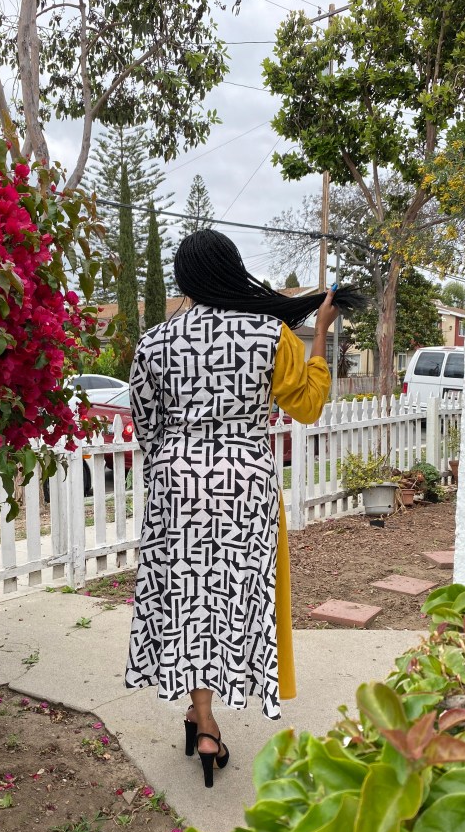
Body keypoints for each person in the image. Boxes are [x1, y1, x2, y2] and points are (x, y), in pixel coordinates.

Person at [124, 229, 366, 788]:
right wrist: (320, 334)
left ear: (185, 279)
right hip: (245, 485)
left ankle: (201, 718)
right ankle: (211, 718)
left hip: (177, 483)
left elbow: (147, 425)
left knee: (187, 601)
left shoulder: (155, 343)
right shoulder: (269, 334)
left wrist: (178, 468)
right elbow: (307, 406)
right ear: (232, 270)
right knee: (233, 600)